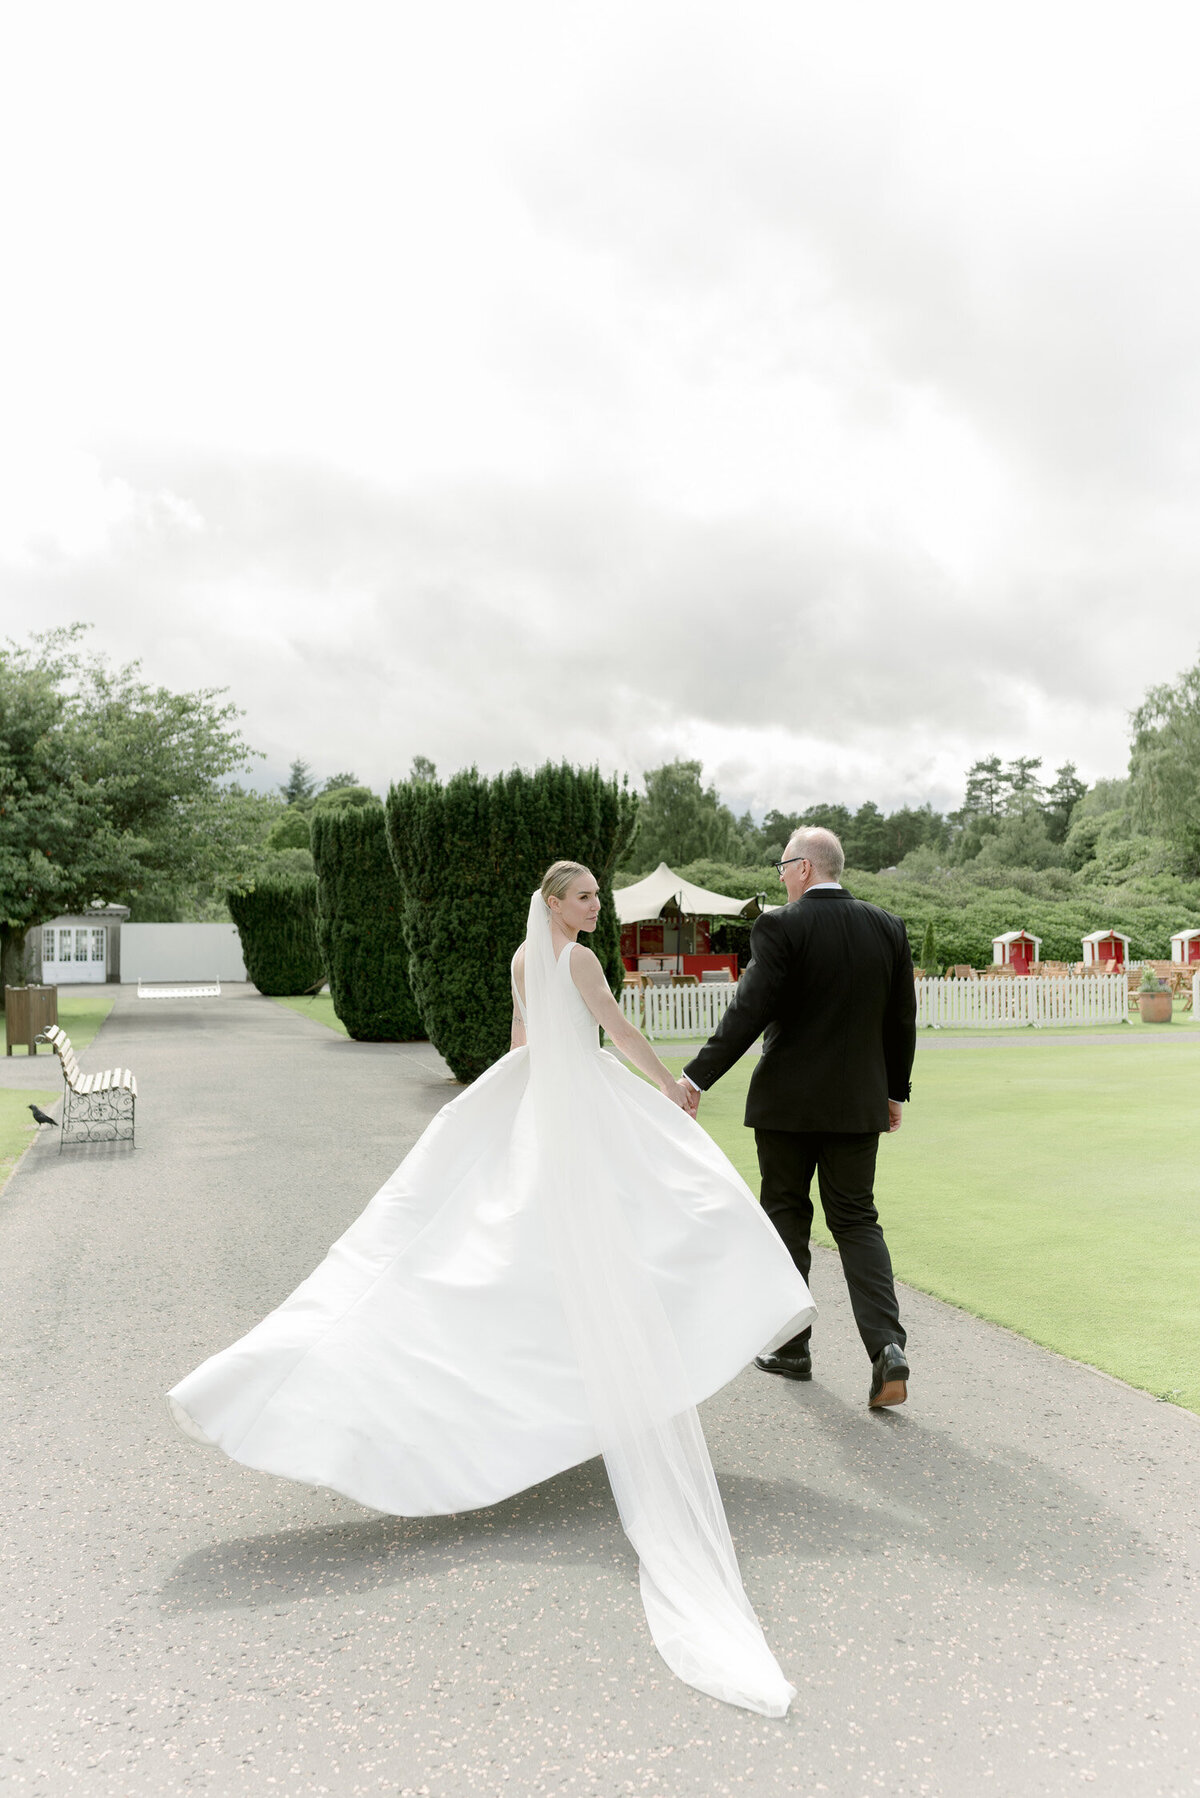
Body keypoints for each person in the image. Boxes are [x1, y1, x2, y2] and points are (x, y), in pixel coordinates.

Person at [168, 861, 813, 1716]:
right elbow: (613, 1029)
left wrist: (505, 1114)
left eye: (595, 900)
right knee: (663, 1216)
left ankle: (557, 1389)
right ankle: (627, 1361)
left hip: (547, 1105)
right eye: (585, 899)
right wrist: (670, 1085)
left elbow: (518, 1044)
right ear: (555, 903)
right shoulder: (577, 962)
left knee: (540, 1257)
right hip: (579, 1110)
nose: (595, 910)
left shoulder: (522, 958)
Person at [681, 827, 916, 1409]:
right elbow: (901, 1018)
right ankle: (887, 1348)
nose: (780, 875)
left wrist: (695, 1077)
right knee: (858, 1220)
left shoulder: (781, 926)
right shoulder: (888, 926)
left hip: (787, 1106)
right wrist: (893, 1092)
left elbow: (749, 1009)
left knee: (786, 1216)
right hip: (859, 1105)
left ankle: (792, 1348)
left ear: (805, 868)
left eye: (783, 865)